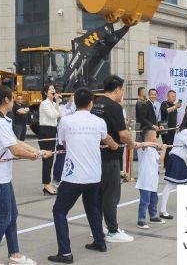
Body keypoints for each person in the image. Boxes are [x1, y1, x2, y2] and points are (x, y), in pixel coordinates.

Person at [0, 85, 53, 265]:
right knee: (4, 219)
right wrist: (34, 155)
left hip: (3, 177)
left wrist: (38, 150)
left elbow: (17, 142)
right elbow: (15, 150)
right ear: (6, 100)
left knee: (12, 216)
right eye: (12, 97)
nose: (14, 99)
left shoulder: (1, 119)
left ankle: (15, 254)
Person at [48, 88, 120, 263]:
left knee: (59, 211)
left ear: (75, 102)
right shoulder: (98, 122)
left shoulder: (65, 121)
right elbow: (108, 140)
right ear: (91, 103)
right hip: (94, 176)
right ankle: (100, 242)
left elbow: (64, 142)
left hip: (73, 176)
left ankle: (65, 253)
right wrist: (115, 146)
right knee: (92, 208)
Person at [90, 75, 137, 243]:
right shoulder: (114, 107)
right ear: (117, 89)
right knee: (111, 195)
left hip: (95, 157)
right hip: (110, 157)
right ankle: (113, 231)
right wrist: (132, 144)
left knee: (98, 195)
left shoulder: (96, 104)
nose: (123, 92)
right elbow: (123, 135)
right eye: (122, 90)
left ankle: (96, 227)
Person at [159, 113, 187, 219]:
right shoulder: (186, 132)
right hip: (176, 159)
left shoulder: (181, 129)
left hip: (176, 159)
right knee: (171, 185)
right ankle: (163, 210)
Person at [135, 127, 166, 230]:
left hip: (153, 181)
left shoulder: (153, 150)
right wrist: (153, 144)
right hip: (145, 182)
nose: (156, 140)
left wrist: (164, 149)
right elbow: (142, 144)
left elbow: (160, 160)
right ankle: (141, 220)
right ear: (148, 138)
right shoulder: (143, 149)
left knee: (154, 200)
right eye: (154, 137)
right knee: (144, 202)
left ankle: (153, 216)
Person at [39, 84, 60, 195]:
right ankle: (46, 185)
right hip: (45, 131)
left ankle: (48, 183)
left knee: (51, 159)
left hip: (52, 130)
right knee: (47, 159)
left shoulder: (52, 103)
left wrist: (56, 103)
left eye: (53, 88)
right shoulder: (44, 103)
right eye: (50, 89)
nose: (53, 90)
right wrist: (57, 103)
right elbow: (53, 115)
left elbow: (58, 114)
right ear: (45, 92)